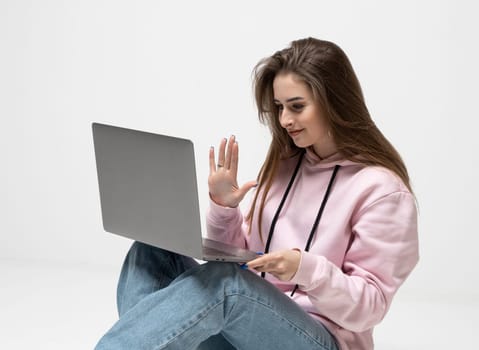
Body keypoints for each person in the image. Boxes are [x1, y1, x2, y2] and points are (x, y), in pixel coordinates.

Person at [95, 37, 419, 350]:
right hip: (250, 332)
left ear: (334, 101)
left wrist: (305, 270)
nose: (285, 120)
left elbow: (370, 307)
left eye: (297, 106)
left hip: (319, 340)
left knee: (227, 284)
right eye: (279, 107)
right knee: (149, 250)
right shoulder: (286, 165)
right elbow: (245, 263)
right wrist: (224, 209)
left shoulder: (382, 191)